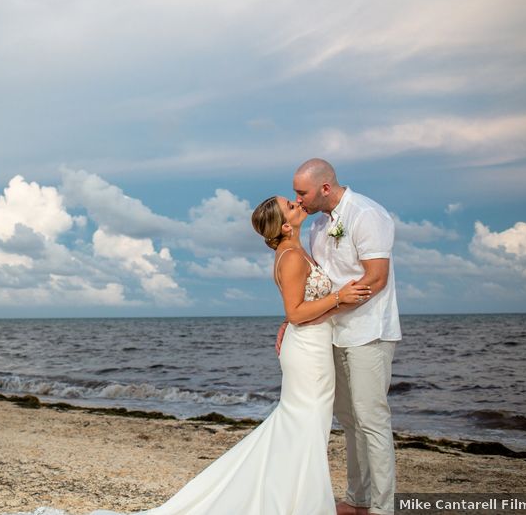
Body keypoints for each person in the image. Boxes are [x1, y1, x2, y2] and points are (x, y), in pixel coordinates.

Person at [89, 195, 370, 515]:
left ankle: (294, 497)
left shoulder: (294, 250)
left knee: (303, 425)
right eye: (290, 205)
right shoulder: (290, 256)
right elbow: (294, 312)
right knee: (305, 423)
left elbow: (298, 307)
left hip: (312, 344)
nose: (296, 203)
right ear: (285, 224)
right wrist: (339, 297)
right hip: (307, 350)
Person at [290, 158, 402, 515]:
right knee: (349, 419)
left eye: (301, 192)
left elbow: (376, 278)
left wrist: (329, 308)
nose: (298, 199)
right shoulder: (318, 226)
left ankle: (383, 508)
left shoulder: (367, 214)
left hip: (369, 331)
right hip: (333, 334)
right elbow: (321, 283)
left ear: (325, 187)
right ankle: (357, 498)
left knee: (372, 419)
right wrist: (297, 317)